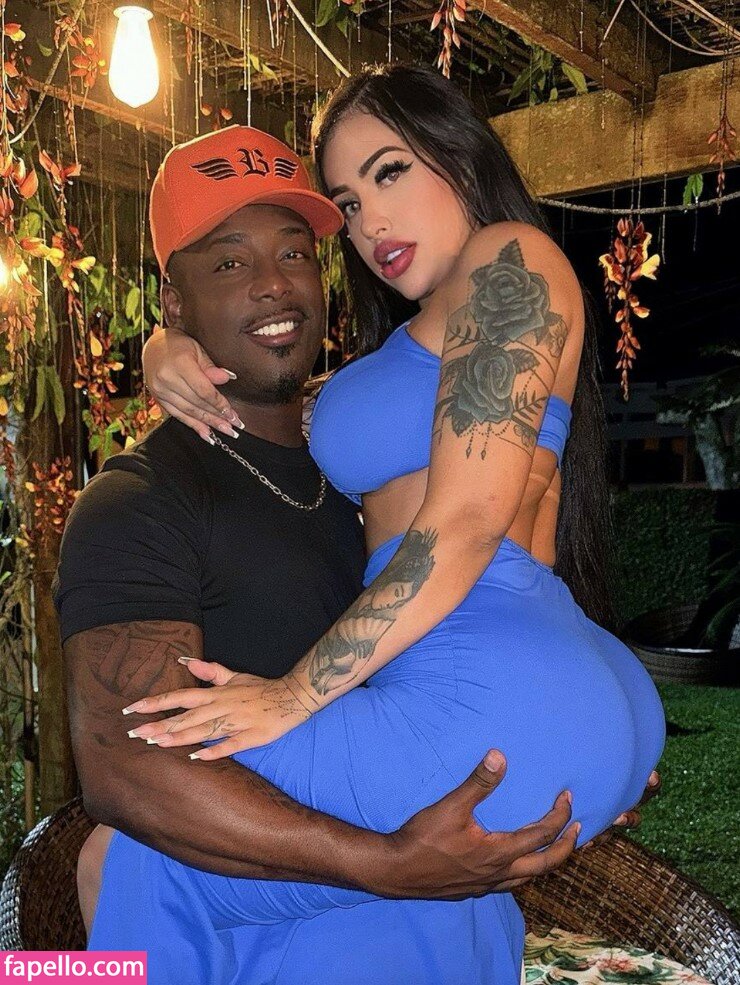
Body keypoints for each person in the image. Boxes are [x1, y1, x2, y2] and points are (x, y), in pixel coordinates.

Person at [134, 65, 667, 982]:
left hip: (482, 692)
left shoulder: (511, 260)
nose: (369, 221)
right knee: (304, 895)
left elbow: (463, 523)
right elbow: (288, 406)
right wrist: (165, 344)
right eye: (348, 201)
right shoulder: (419, 336)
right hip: (526, 686)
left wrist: (294, 694)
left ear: (459, 155)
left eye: (390, 172)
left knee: (139, 846)